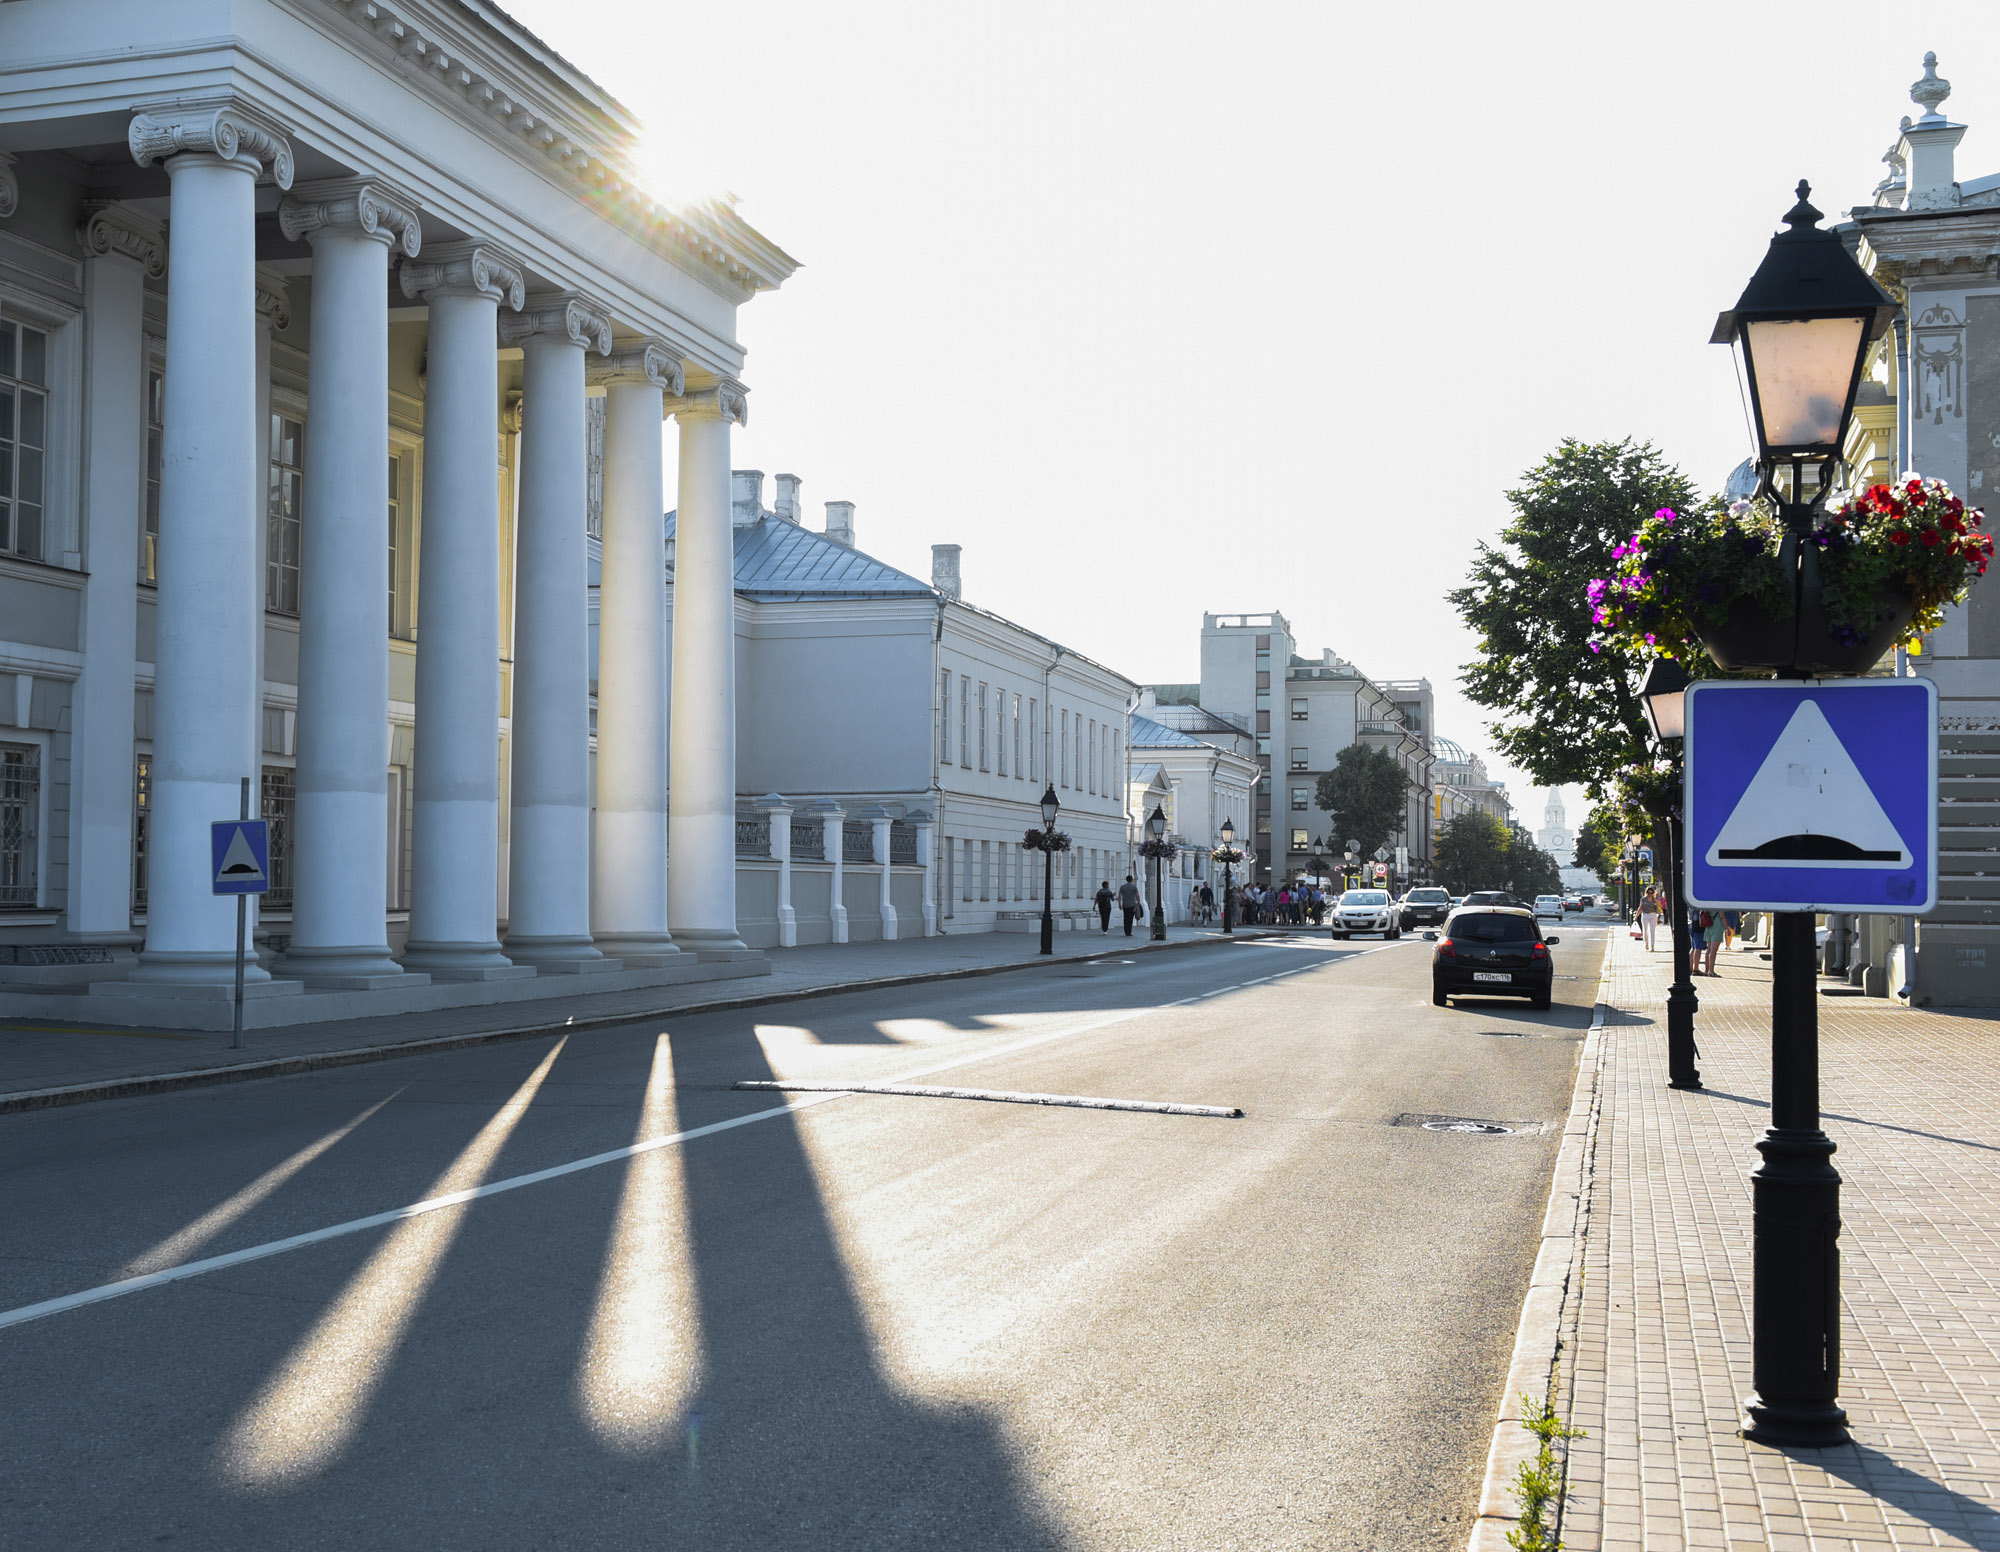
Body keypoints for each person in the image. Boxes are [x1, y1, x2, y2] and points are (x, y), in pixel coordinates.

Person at [1702, 908, 1727, 975]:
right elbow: (1722, 916)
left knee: (1709, 949)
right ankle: (1711, 970)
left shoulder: (1708, 903)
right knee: (1713, 950)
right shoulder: (1718, 904)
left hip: (1709, 924)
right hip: (1717, 925)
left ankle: (1706, 970)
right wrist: (1727, 928)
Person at [1638, 886, 1659, 953]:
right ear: (1646, 892)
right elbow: (1640, 908)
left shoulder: (1654, 899)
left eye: (1651, 893)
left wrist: (1657, 901)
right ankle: (1646, 943)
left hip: (1653, 915)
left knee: (1652, 930)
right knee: (1645, 930)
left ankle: (1652, 945)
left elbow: (1660, 906)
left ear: (1653, 893)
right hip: (1645, 915)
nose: (1650, 894)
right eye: (1648, 893)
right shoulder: (1643, 899)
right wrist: (1636, 917)